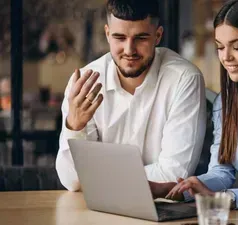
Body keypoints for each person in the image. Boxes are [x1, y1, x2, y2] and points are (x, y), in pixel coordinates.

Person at [56, 0, 207, 196]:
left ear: (158, 36)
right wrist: (74, 127)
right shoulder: (84, 83)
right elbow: (72, 181)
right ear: (107, 34)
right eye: (119, 37)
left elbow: (173, 175)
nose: (129, 50)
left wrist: (95, 178)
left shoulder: (184, 79)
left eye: (141, 38)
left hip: (163, 212)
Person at [165, 0, 238, 209]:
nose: (226, 57)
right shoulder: (226, 102)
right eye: (220, 47)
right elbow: (222, 172)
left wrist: (225, 198)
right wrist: (184, 189)